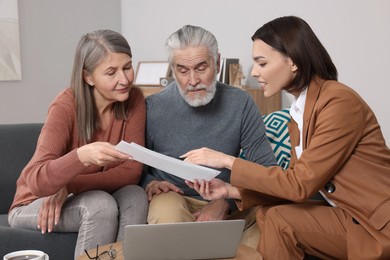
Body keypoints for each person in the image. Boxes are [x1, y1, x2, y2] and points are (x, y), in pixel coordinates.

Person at [184, 16, 390, 259]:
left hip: (374, 224)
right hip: (348, 215)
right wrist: (229, 191)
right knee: (268, 214)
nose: (254, 72)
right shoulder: (299, 113)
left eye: (261, 63)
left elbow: (299, 184)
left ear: (292, 61)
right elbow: (291, 185)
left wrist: (228, 161)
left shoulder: (338, 102)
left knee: (280, 220)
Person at [8, 30, 148, 259]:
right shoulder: (65, 107)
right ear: (88, 77)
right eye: (111, 72)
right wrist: (81, 156)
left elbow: (131, 172)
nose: (124, 79)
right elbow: (37, 181)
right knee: (100, 205)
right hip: (33, 202)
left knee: (135, 196)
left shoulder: (133, 100)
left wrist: (69, 186)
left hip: (78, 192)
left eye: (127, 67)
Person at [141, 24, 276, 233]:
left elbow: (266, 170)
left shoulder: (241, 103)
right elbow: (137, 168)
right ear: (173, 70)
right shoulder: (152, 106)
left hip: (228, 197)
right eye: (183, 71)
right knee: (166, 211)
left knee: (264, 221)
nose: (193, 81)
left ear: (218, 63)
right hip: (174, 198)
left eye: (201, 68)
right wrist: (150, 183)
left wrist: (226, 202)